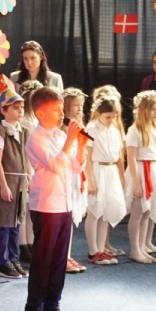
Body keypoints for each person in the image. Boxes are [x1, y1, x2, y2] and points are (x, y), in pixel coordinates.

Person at [23, 87, 85, 311]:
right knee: (43, 260)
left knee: (59, 260)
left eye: (62, 109)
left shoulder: (60, 136)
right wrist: (70, 140)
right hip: (47, 205)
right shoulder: (36, 139)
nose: (62, 114)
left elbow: (75, 167)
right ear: (40, 113)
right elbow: (56, 165)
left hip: (64, 204)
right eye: (57, 110)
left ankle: (53, 307)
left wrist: (80, 144)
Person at [0, 75, 29, 279]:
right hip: (8, 181)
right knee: (4, 224)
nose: (20, 111)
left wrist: (28, 179)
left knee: (16, 224)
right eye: (15, 108)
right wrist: (3, 186)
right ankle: (2, 263)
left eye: (22, 108)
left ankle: (14, 259)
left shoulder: (24, 132)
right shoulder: (0, 132)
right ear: (4, 110)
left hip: (21, 183)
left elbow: (27, 158)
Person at [125, 90, 156, 264]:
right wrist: (136, 183)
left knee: (147, 213)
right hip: (141, 171)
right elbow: (131, 158)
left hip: (154, 170)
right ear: (143, 109)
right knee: (138, 212)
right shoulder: (134, 130)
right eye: (152, 109)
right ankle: (135, 250)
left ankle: (142, 247)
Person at [83, 96, 127, 266]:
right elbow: (87, 157)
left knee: (106, 212)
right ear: (98, 114)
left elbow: (118, 156)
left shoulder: (114, 130)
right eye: (108, 117)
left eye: (113, 117)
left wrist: (120, 177)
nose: (111, 120)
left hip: (110, 171)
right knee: (94, 211)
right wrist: (91, 180)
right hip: (97, 170)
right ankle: (92, 251)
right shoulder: (91, 129)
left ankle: (101, 249)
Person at [61, 88, 88, 274]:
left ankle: (67, 255)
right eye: (76, 105)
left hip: (75, 175)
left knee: (69, 218)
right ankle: (62, 257)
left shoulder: (79, 126)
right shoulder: (61, 130)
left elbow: (79, 158)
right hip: (64, 178)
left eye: (81, 105)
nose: (79, 109)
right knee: (63, 219)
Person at [16, 79, 43, 262]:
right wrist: (27, 171)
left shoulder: (35, 118)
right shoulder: (24, 121)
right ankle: (22, 244)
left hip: (37, 165)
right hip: (26, 165)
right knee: (23, 208)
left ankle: (32, 243)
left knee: (32, 207)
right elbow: (24, 147)